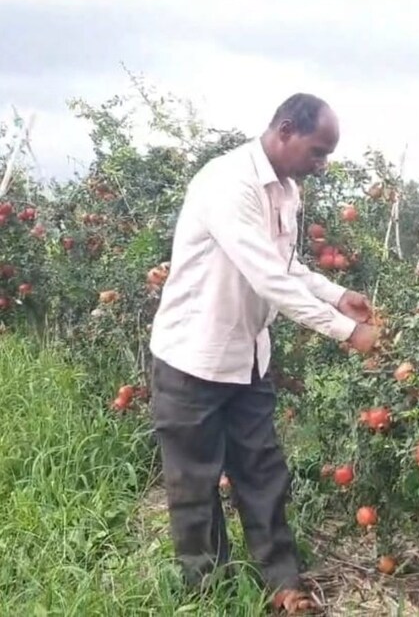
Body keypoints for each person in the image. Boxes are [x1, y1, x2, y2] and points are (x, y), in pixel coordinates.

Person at [148, 92, 380, 614]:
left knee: (262, 470)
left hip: (248, 357)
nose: (322, 165)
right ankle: (208, 591)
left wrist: (335, 293)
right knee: (194, 484)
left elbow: (288, 266)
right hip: (193, 357)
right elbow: (268, 276)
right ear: (284, 130)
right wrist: (346, 332)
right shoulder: (229, 183)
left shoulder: (287, 191)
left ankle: (283, 583)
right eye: (318, 151)